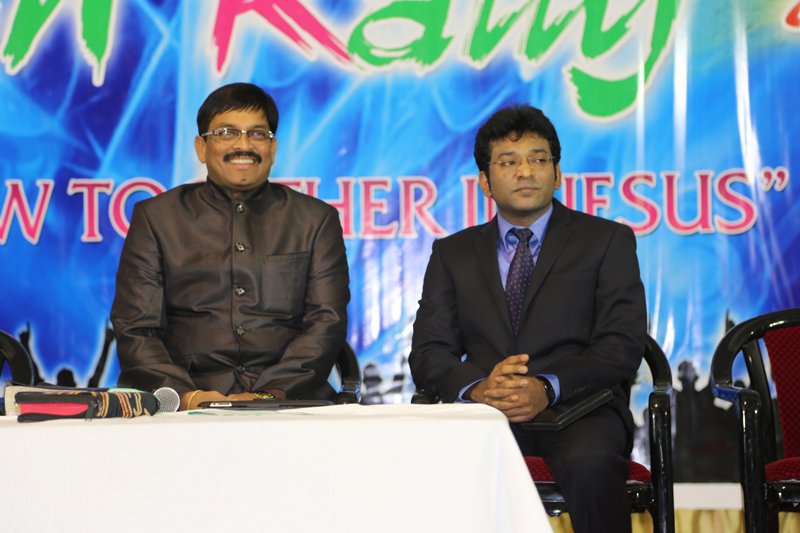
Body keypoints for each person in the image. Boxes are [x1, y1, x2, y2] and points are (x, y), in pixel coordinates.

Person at [409, 104, 646, 533]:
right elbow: (429, 353)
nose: (525, 172)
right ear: (485, 181)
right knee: (439, 468)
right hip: (485, 414)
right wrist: (479, 388)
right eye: (508, 162)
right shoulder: (452, 253)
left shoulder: (606, 240)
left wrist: (546, 386)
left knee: (591, 464)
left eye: (538, 159)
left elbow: (621, 346)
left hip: (580, 410)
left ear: (557, 174)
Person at [111, 83, 350, 410]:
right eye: (226, 133)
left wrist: (269, 394)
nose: (243, 145)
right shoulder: (156, 218)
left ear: (272, 147)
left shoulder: (315, 220)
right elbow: (136, 328)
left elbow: (326, 322)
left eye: (257, 134)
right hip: (186, 407)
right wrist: (188, 396)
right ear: (201, 147)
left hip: (290, 403)